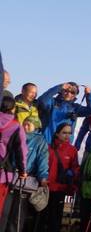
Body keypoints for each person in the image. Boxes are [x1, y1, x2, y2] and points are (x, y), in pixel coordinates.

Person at [2, 116, 48, 232]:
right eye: (25, 123)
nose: (25, 126)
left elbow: (42, 161)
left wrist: (43, 177)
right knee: (4, 211)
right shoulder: (16, 135)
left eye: (29, 124)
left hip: (26, 179)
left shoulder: (40, 141)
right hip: (11, 177)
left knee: (18, 214)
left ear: (36, 126)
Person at [43, 122, 79, 232]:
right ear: (57, 133)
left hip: (60, 189)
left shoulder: (72, 150)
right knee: (43, 217)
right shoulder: (48, 148)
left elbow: (76, 167)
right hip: (46, 187)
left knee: (56, 217)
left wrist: (72, 173)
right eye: (64, 132)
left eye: (69, 133)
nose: (67, 135)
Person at [0, 96, 27, 232]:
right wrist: (23, 171)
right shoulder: (16, 126)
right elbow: (22, 151)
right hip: (4, 173)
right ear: (12, 108)